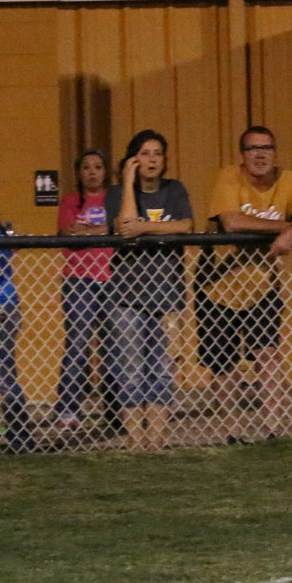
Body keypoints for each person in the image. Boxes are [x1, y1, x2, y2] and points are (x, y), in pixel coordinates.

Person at [197, 125, 292, 443]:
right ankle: (232, 430)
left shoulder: (289, 181)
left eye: (267, 148)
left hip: (262, 286)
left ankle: (273, 429)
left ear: (275, 152)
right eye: (253, 149)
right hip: (218, 286)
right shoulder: (229, 177)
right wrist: (290, 228)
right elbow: (232, 221)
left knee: (268, 354)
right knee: (223, 363)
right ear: (242, 156)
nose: (260, 155)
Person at [106, 130, 193, 451]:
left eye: (158, 153)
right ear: (132, 159)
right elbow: (124, 226)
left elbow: (185, 225)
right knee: (129, 366)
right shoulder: (117, 193)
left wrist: (145, 227)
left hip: (166, 293)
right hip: (127, 297)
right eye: (144, 153)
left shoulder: (174, 190)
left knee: (161, 367)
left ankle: (155, 439)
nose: (152, 159)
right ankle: (135, 439)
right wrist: (129, 183)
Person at [55, 149, 118, 433]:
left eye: (98, 167)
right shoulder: (70, 200)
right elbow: (67, 232)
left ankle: (116, 409)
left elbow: (117, 228)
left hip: (113, 278)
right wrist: (101, 231)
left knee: (113, 347)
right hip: (79, 279)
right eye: (86, 167)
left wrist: (88, 231)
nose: (92, 172)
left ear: (106, 171)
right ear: (79, 173)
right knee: (78, 343)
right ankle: (68, 408)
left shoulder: (114, 198)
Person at [0, 213, 34, 453]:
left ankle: (21, 434)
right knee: (5, 372)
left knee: (4, 372)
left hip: (2, 304)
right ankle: (20, 434)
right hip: (6, 303)